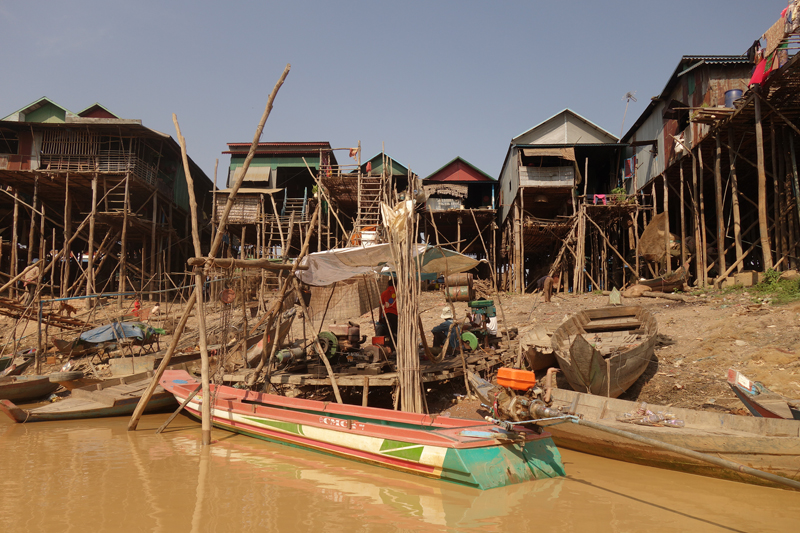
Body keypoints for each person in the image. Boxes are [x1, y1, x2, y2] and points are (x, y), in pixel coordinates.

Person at [376, 278, 398, 348]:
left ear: (388, 284)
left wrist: (380, 317)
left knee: (389, 332)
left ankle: (389, 347)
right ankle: (392, 347)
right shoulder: (398, 293)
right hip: (395, 315)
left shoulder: (384, 293)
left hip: (386, 315)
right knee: (395, 332)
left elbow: (381, 306)